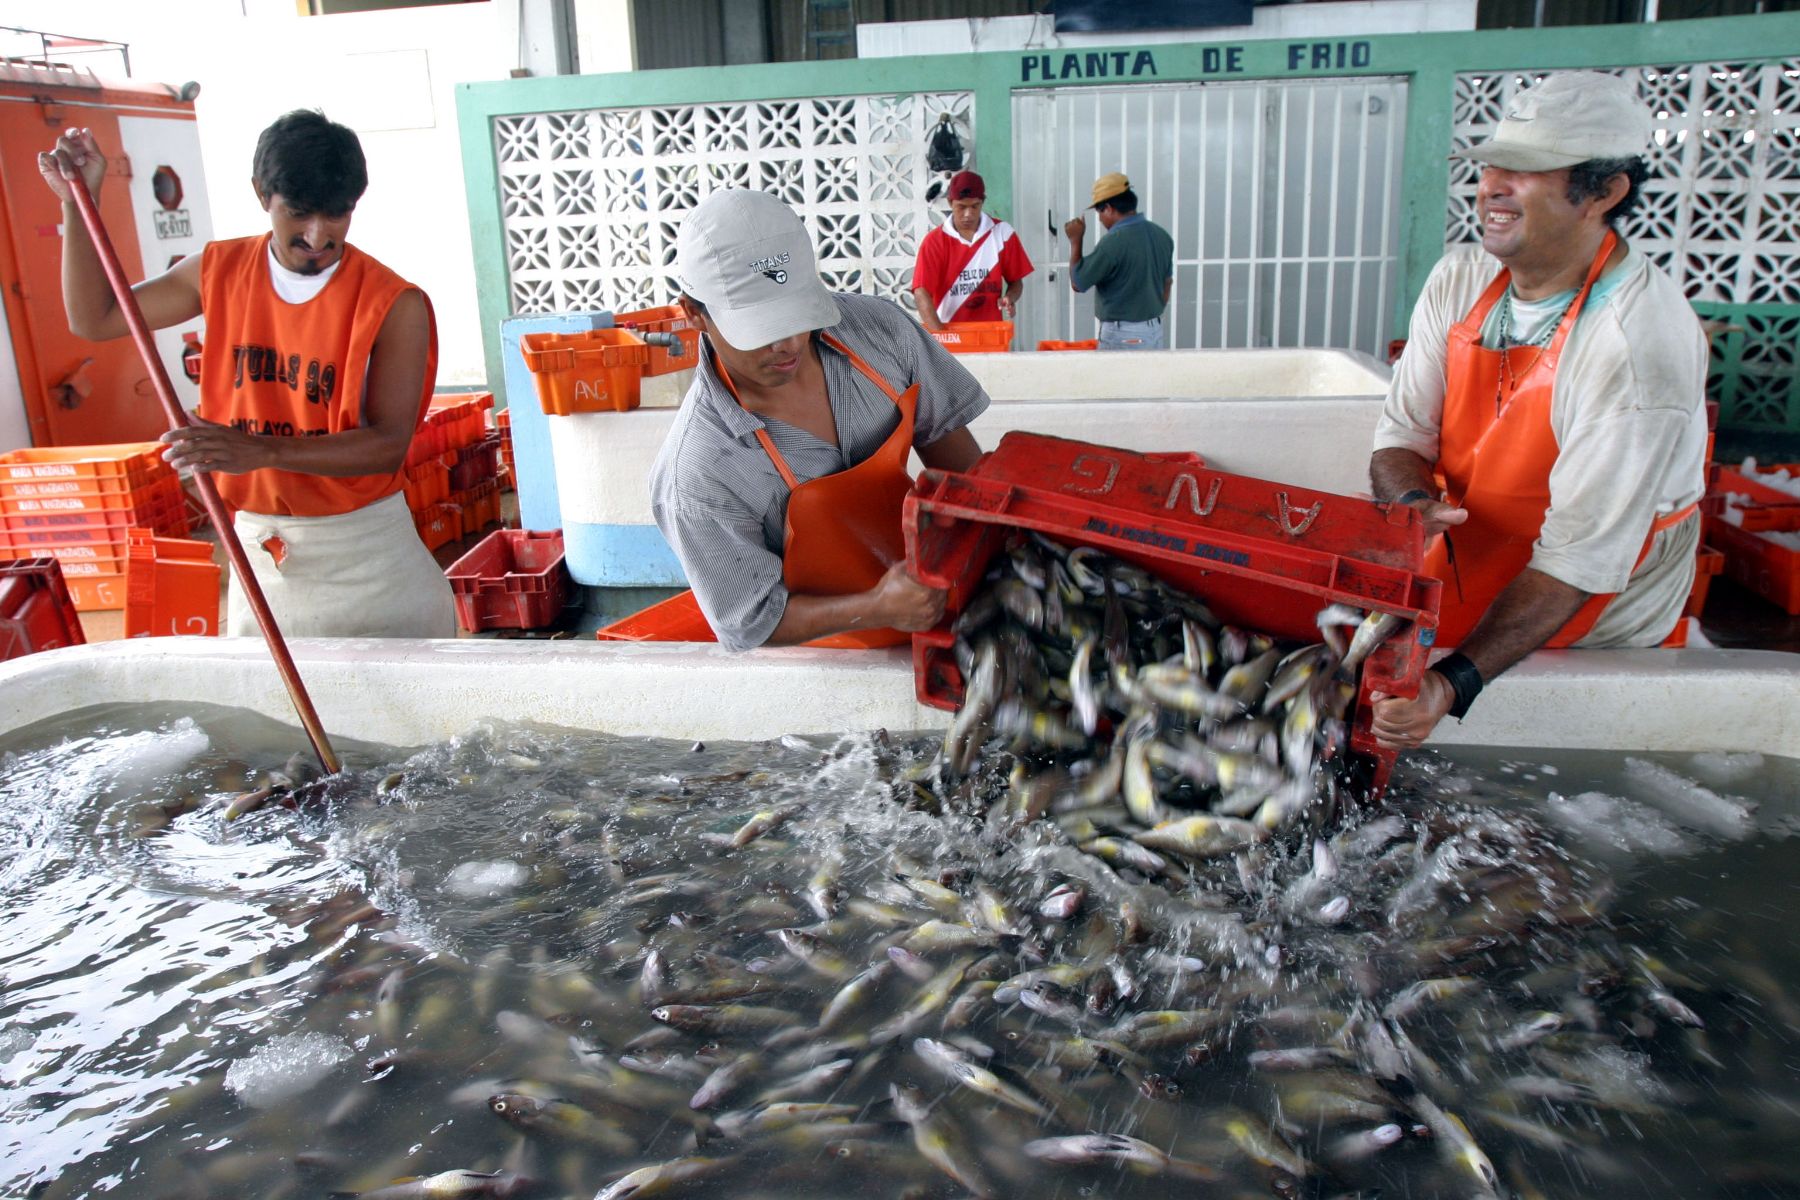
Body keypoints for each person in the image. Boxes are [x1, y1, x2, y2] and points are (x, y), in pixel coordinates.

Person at [1367, 72, 1708, 749]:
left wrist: (1450, 685)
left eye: (1527, 171)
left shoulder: (1636, 344)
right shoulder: (1459, 281)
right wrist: (1412, 502)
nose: (1493, 185)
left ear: (1605, 193)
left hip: (1598, 587)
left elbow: (1581, 562)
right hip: (1480, 548)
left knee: (1558, 745)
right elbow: (1401, 435)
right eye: (1492, 164)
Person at [39, 110, 453, 639]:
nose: (317, 236)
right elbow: (94, 319)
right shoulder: (218, 271)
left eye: (338, 215)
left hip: (367, 554)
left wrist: (261, 451)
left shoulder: (393, 303)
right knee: (273, 720)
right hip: (260, 552)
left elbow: (388, 446)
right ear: (262, 194)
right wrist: (78, 204)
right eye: (298, 214)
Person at [649, 188, 989, 651]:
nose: (787, 344)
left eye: (796, 315)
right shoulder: (699, 474)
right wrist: (877, 607)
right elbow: (750, 621)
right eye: (761, 330)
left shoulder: (879, 331)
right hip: (831, 655)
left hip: (942, 609)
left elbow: (965, 471)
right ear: (694, 313)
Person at [910, 170, 1033, 332]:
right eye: (961, 207)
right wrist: (942, 336)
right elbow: (921, 293)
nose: (968, 214)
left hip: (991, 334)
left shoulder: (1003, 233)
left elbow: (1016, 281)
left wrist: (1010, 298)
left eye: (975, 206)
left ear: (983, 201)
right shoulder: (934, 242)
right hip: (949, 331)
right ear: (950, 203)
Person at [1062, 172, 1174, 350]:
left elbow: (1078, 283)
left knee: (1118, 378)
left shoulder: (1114, 242)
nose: (1099, 218)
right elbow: (1167, 283)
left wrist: (1076, 241)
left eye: (1099, 212)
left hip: (1123, 335)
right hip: (1154, 330)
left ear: (1108, 208)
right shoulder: (1161, 235)